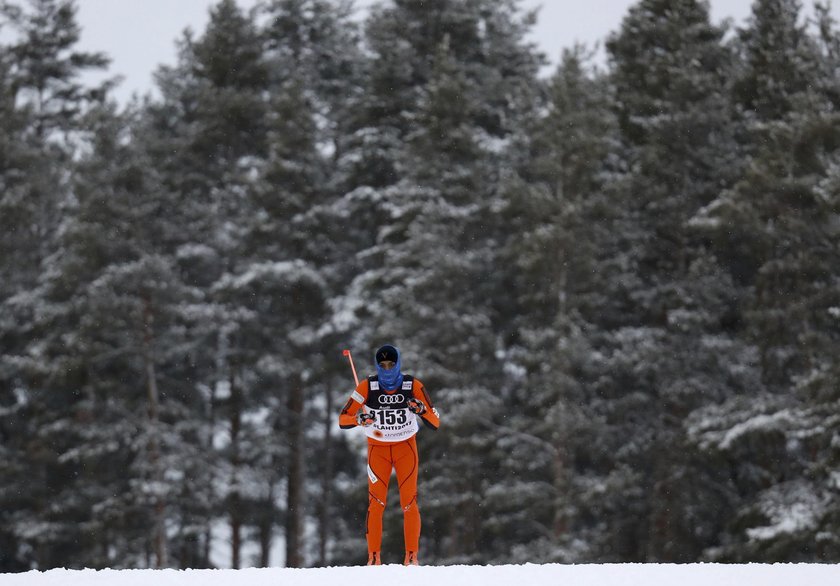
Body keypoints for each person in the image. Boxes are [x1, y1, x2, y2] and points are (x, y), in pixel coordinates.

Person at [339, 344, 440, 566]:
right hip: (378, 450)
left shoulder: (412, 384)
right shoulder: (367, 386)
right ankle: (373, 558)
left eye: (391, 364)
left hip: (406, 447)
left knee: (409, 503)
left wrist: (420, 409)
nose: (386, 369)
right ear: (377, 365)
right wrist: (358, 419)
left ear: (398, 364)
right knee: (376, 504)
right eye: (382, 365)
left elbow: (435, 420)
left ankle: (411, 557)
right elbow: (342, 418)